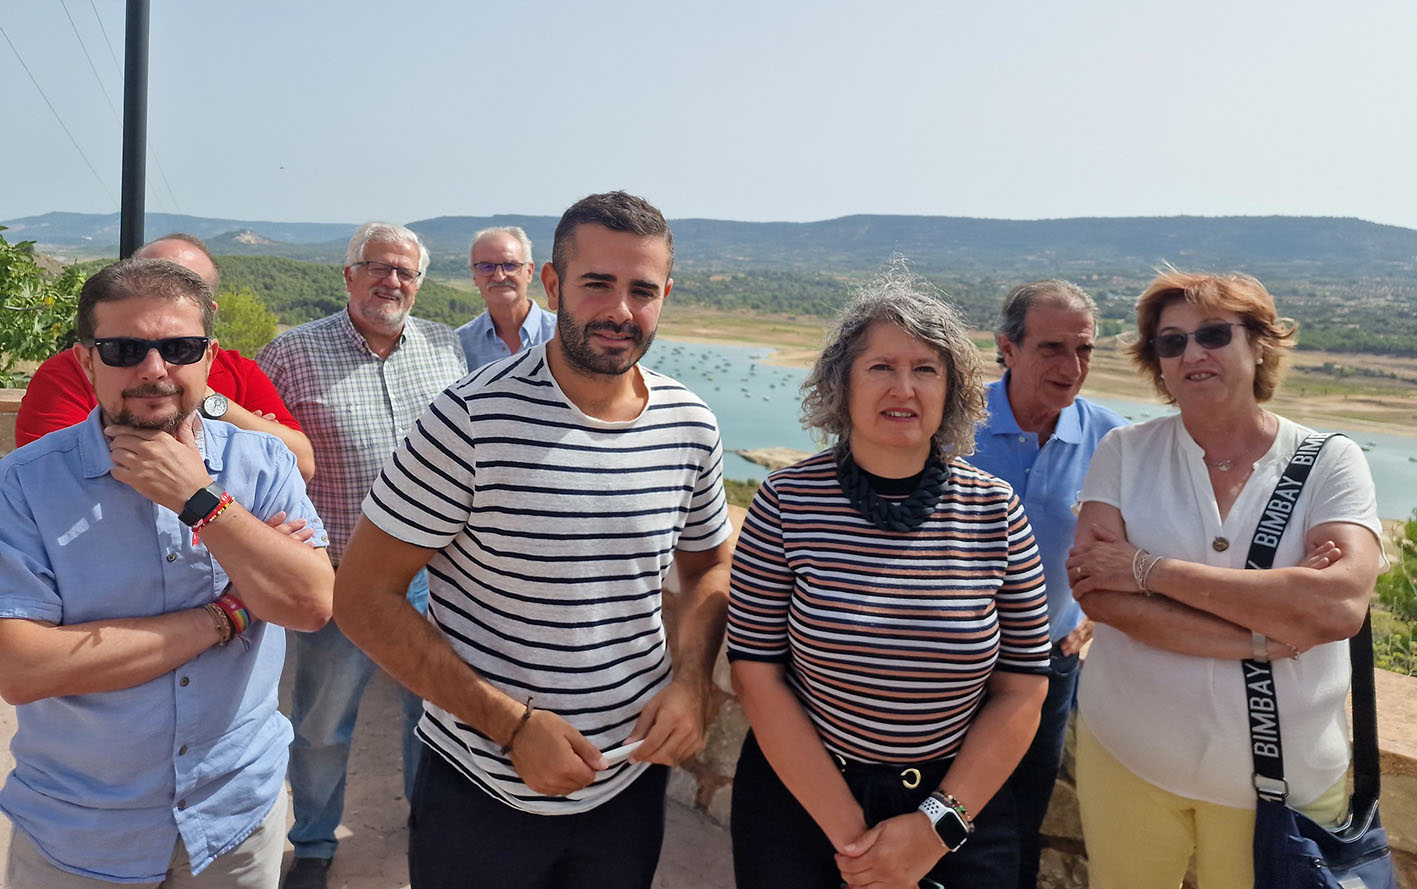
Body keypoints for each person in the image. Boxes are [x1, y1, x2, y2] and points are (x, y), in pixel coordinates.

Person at [333, 191, 734, 889]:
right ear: (553, 284)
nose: (619, 311)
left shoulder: (689, 425)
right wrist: (513, 725)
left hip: (626, 785)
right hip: (481, 786)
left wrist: (693, 682)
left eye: (642, 290)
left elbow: (705, 568)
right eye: (597, 284)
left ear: (665, 294)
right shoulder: (467, 419)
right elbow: (362, 596)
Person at [0, 258, 333, 887]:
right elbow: (22, 669)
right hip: (84, 835)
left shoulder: (261, 463)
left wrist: (201, 501)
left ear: (209, 359)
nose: (153, 369)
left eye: (177, 347)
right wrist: (228, 613)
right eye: (124, 348)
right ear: (85, 360)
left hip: (235, 820)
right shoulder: (25, 484)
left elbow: (310, 604)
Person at [727, 264, 1051, 889]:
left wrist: (934, 829)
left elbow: (1022, 690)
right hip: (801, 801)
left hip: (956, 803)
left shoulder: (995, 510)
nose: (904, 387)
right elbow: (756, 674)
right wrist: (852, 837)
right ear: (842, 384)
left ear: (951, 390)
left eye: (925, 369)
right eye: (881, 367)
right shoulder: (786, 501)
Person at [1065, 270, 1385, 889]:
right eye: (1171, 342)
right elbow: (1098, 594)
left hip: (1282, 783)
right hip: (1130, 757)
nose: (1192, 354)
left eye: (1213, 334)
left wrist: (1145, 569)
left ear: (1259, 343)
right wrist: (1262, 634)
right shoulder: (1125, 452)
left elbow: (1337, 607)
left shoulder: (1329, 462)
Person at [255, 222, 468, 889]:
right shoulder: (290, 353)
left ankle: (426, 832)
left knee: (431, 714)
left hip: (433, 582)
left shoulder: (443, 347)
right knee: (321, 724)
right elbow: (259, 460)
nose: (392, 281)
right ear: (348, 274)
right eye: (377, 266)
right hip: (339, 581)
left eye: (406, 272)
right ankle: (314, 843)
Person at [968, 279, 1126, 888]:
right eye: (1053, 348)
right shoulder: (953, 421)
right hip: (952, 655)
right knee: (933, 802)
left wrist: (1093, 619)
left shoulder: (1114, 440)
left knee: (1021, 814)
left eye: (1084, 349)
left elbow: (1147, 549)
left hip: (1048, 664)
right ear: (1008, 347)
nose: (1072, 366)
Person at [15, 233, 315, 481]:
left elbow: (297, 463)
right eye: (143, 281)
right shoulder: (71, 370)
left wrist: (201, 397)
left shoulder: (239, 370)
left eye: (180, 289)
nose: (154, 369)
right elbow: (56, 477)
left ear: (206, 311)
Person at [455, 225, 557, 369]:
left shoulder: (563, 334)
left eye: (510, 265)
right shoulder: (460, 344)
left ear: (529, 271)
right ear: (474, 275)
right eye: (486, 267)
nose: (499, 276)